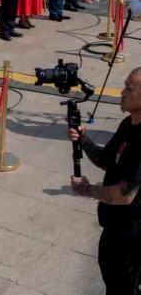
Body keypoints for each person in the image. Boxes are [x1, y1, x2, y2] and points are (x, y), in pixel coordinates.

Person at [67, 66, 141, 295]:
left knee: (122, 287)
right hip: (115, 227)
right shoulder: (128, 124)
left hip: (131, 236)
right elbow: (108, 160)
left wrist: (86, 189)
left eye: (129, 88)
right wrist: (84, 140)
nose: (122, 92)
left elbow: (124, 195)